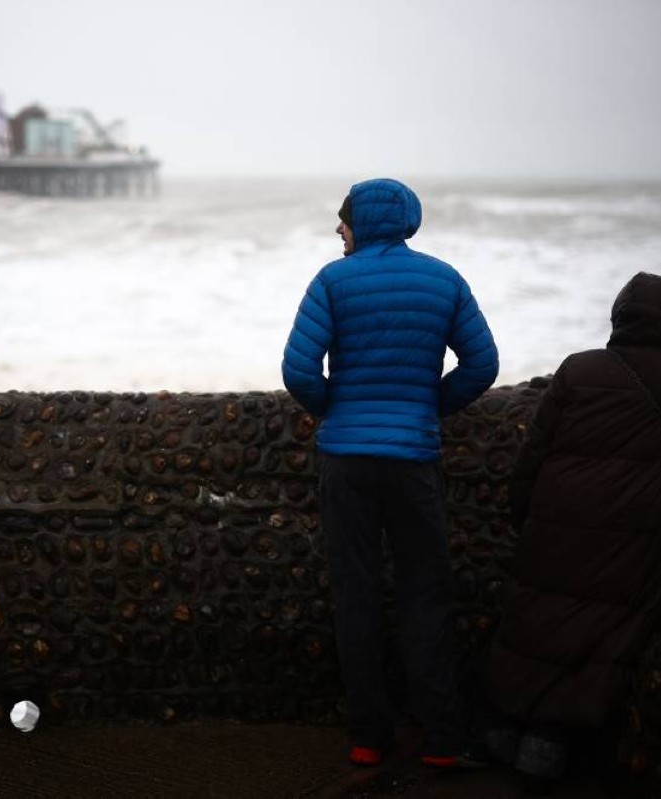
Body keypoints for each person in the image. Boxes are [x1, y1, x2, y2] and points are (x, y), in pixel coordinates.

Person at [478, 272, 661, 786]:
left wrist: (521, 511)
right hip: (634, 529)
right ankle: (547, 749)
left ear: (619, 318)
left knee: (536, 620)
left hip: (556, 514)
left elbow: (534, 451)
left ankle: (501, 734)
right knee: (599, 633)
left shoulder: (579, 368)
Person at [282, 178, 499, 768]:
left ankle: (368, 737)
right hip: (414, 462)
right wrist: (427, 408)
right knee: (425, 597)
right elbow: (482, 363)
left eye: (343, 220)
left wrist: (341, 410)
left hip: (347, 465)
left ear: (363, 223)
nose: (337, 229)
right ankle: (443, 741)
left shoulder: (332, 281)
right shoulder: (444, 279)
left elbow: (299, 371)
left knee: (356, 596)